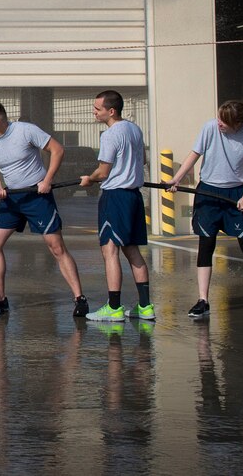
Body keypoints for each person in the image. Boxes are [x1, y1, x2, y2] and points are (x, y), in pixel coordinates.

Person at [166, 100, 243, 320]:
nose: (219, 124)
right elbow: (194, 154)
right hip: (208, 192)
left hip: (236, 194)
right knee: (206, 245)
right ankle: (202, 301)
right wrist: (176, 180)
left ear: (238, 124)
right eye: (218, 118)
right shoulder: (210, 127)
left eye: (224, 122)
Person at [0, 101, 88, 316]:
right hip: (11, 198)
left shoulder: (26, 130)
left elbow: (57, 150)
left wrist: (47, 179)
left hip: (37, 196)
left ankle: (79, 298)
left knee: (56, 247)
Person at [80, 90, 154, 321]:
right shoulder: (135, 129)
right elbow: (142, 160)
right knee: (132, 250)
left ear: (111, 111)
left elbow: (103, 172)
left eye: (97, 108)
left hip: (115, 196)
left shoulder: (110, 135)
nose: (94, 111)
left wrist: (88, 179)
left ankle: (114, 308)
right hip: (134, 196)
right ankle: (145, 307)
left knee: (109, 250)